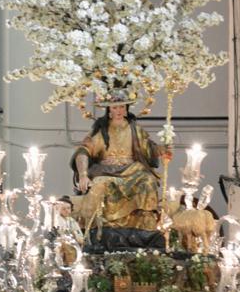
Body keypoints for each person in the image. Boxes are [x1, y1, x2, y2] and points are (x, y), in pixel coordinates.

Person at [70, 93, 172, 232]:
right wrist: (83, 174)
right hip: (107, 171)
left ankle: (144, 222)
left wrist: (160, 149)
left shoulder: (135, 129)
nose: (118, 111)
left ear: (126, 109)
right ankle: (104, 225)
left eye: (122, 107)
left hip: (133, 171)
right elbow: (84, 151)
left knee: (148, 180)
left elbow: (148, 148)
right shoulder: (102, 130)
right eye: (115, 108)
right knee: (100, 183)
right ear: (109, 110)